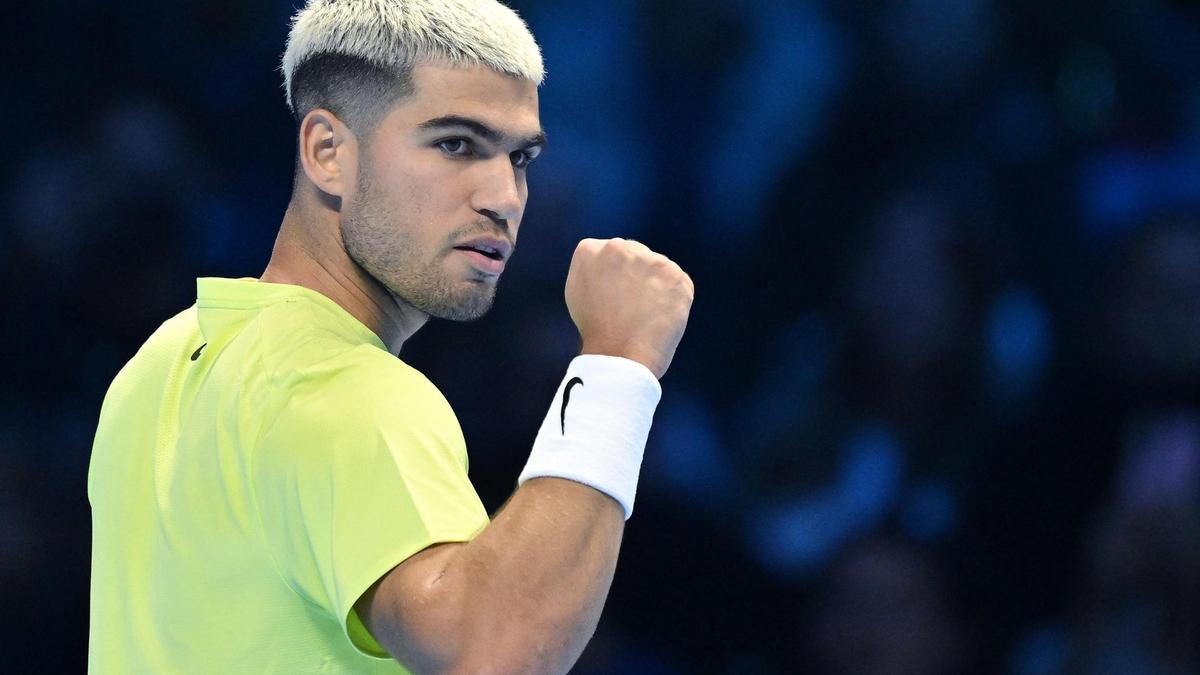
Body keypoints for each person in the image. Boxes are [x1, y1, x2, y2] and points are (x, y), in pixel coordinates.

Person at [86, 1, 694, 672]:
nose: (503, 196)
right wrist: (616, 364)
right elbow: (494, 650)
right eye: (455, 144)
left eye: (519, 157)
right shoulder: (347, 390)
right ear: (327, 152)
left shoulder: (161, 361)